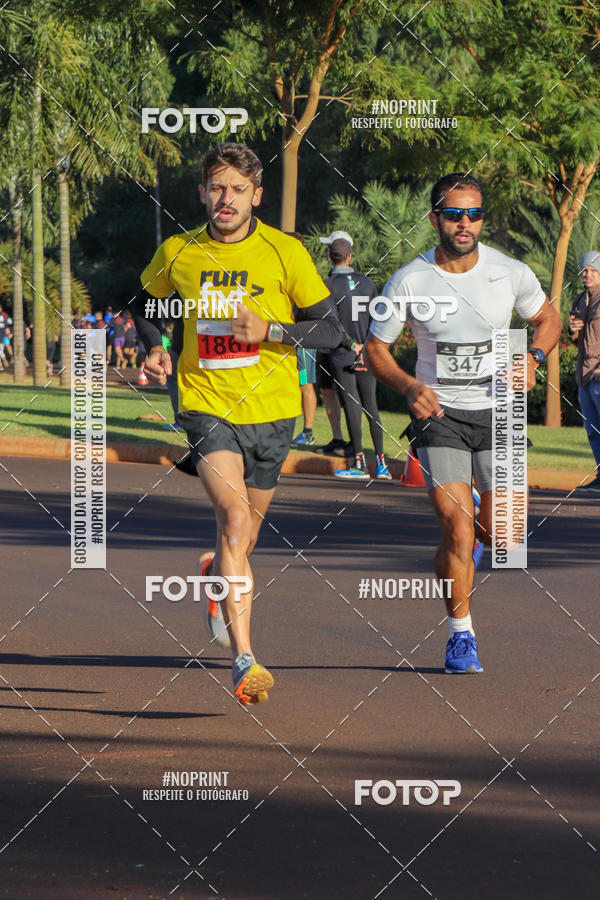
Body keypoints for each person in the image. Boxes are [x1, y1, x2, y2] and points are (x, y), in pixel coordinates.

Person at [132, 142, 341, 705]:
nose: (226, 200)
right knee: (231, 520)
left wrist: (270, 331)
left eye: (237, 190)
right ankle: (245, 659)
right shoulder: (179, 250)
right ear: (202, 193)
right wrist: (154, 347)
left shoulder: (284, 253)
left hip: (272, 412)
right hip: (205, 402)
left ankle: (214, 577)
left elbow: (331, 332)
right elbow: (145, 303)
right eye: (217, 188)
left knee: (243, 537)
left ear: (257, 195)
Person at [365, 172, 561, 673]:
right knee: (456, 527)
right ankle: (461, 635)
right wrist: (410, 387)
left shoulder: (509, 271)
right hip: (441, 415)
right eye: (454, 214)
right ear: (436, 219)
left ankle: (468, 544)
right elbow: (375, 349)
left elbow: (548, 318)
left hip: (500, 410)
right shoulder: (410, 279)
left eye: (474, 213)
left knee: (505, 537)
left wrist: (534, 357)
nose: (465, 223)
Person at [318, 230, 392, 480]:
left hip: (342, 354)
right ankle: (381, 464)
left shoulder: (327, 286)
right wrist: (366, 348)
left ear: (330, 255)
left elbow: (331, 323)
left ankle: (359, 463)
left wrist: (352, 347)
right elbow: (379, 320)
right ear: (350, 256)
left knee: (351, 407)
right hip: (367, 354)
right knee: (372, 407)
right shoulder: (367, 283)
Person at [569, 251, 600, 492]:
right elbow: (577, 340)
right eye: (584, 270)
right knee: (592, 430)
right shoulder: (580, 300)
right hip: (584, 374)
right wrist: (573, 331)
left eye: (592, 270)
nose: (587, 274)